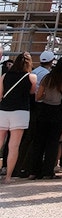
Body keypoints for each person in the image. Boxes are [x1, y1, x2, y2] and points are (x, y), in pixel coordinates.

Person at [27, 54, 62, 179]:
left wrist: (46, 97)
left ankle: (33, 170)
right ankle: (48, 171)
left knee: (39, 141)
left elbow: (38, 96)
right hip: (59, 111)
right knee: (53, 142)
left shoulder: (47, 78)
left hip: (44, 110)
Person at [1, 52, 38, 182]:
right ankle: (8, 177)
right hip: (21, 111)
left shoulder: (5, 76)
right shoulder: (32, 77)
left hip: (4, 110)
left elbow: (0, 94)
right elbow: (32, 92)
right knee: (14, 145)